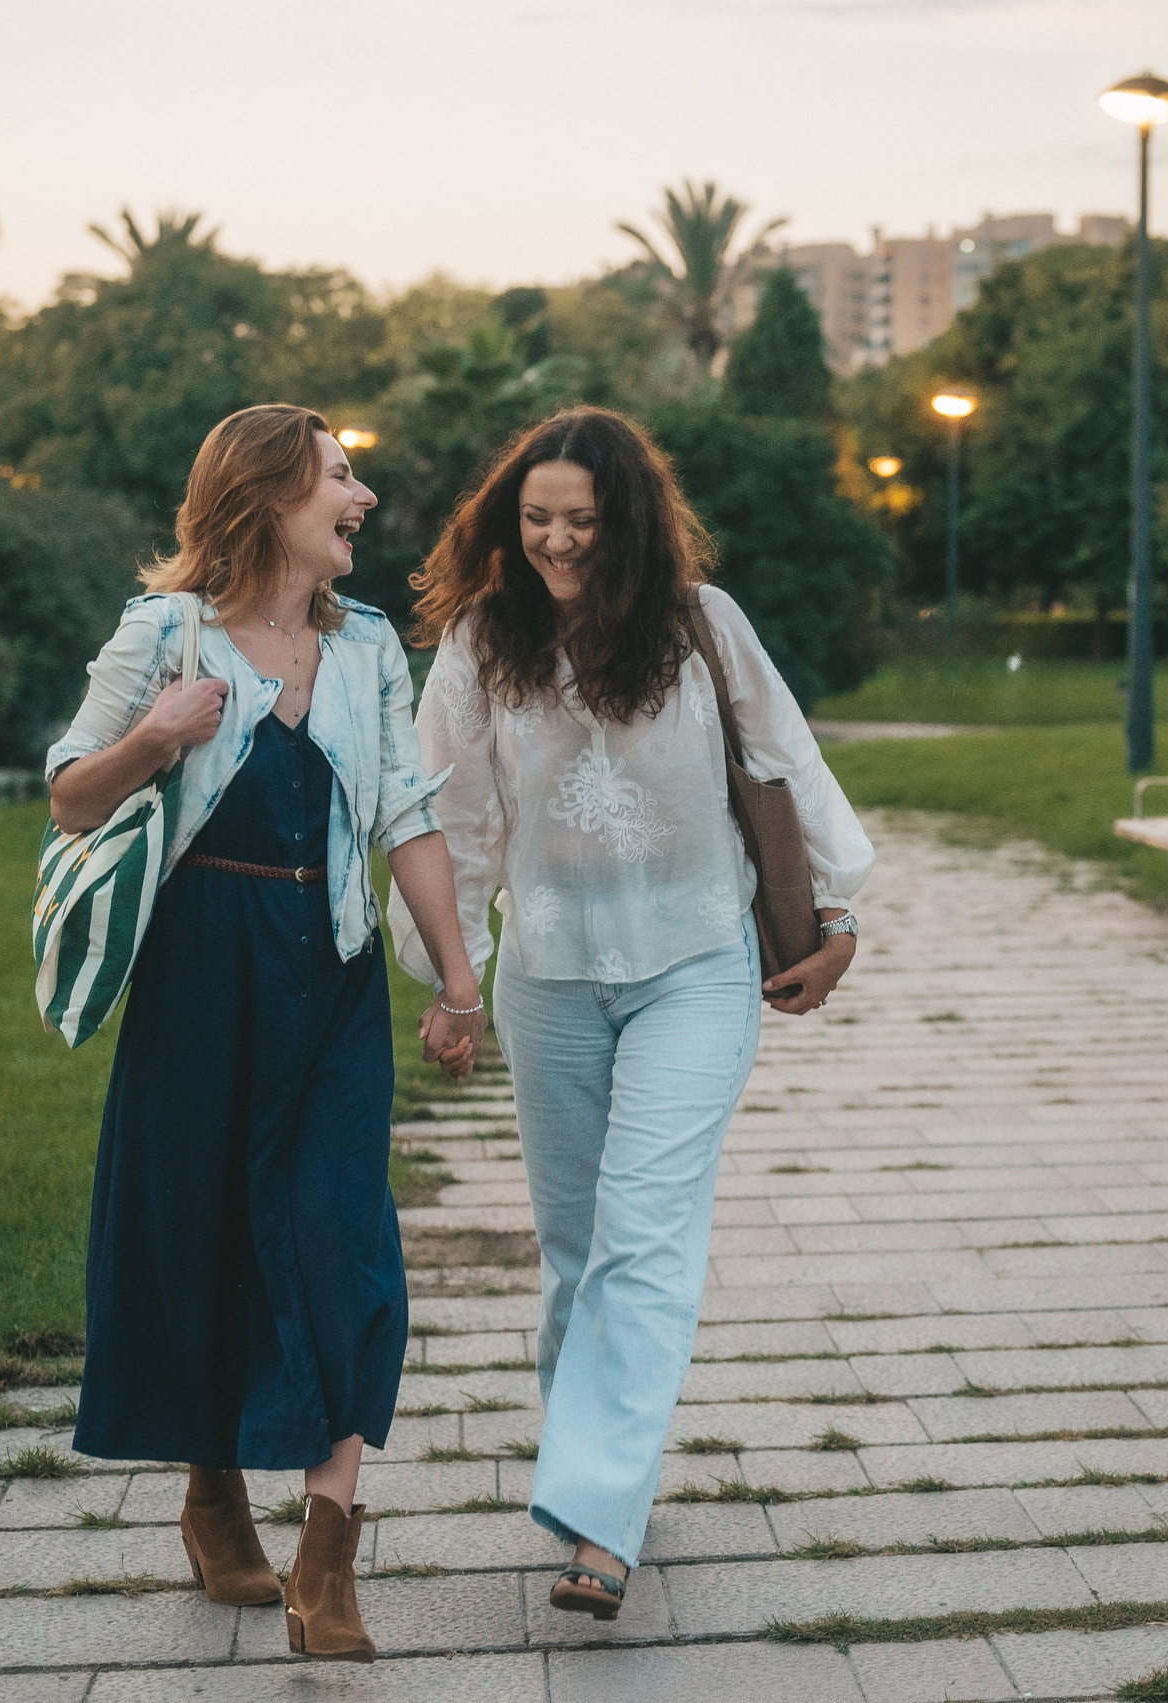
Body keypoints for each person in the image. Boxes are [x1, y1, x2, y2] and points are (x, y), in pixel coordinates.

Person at [391, 405, 874, 1620]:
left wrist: (843, 921)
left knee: (644, 1233)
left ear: (634, 525)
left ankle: (601, 1520)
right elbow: (449, 821)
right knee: (575, 1254)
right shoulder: (477, 643)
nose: (557, 541)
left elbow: (789, 763)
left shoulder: (701, 627)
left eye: (584, 522)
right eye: (538, 517)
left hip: (696, 966)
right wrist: (450, 977)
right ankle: (589, 1473)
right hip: (548, 978)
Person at [46, 404, 488, 1664]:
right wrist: (155, 736)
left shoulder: (365, 652)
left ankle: (327, 1549)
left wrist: (458, 980)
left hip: (330, 975)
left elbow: (405, 811)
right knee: (199, 1232)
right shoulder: (165, 633)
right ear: (270, 495)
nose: (363, 494)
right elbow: (74, 793)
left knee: (343, 1241)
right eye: (341, 477)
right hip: (198, 976)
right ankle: (210, 1489)